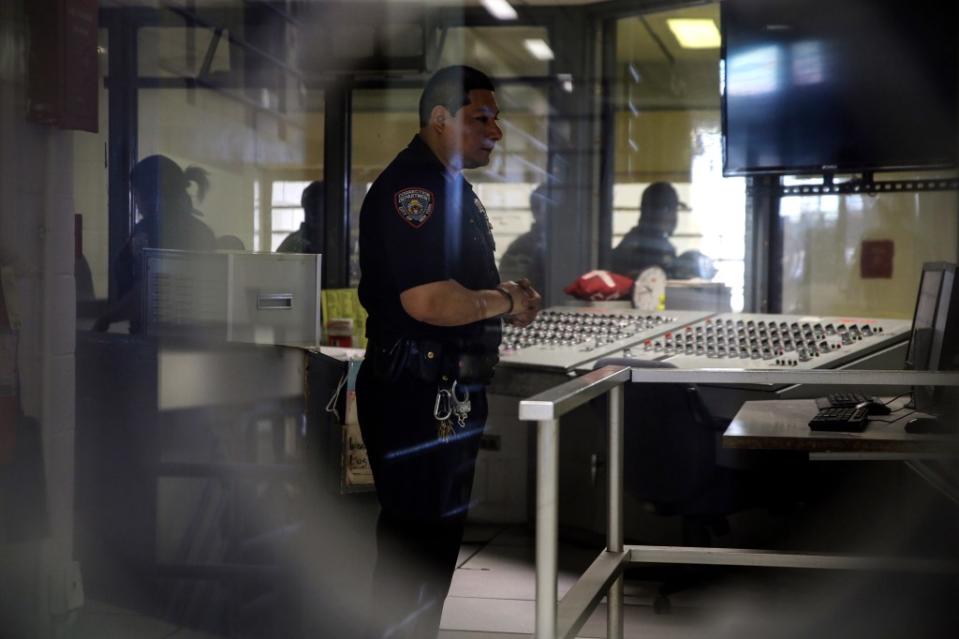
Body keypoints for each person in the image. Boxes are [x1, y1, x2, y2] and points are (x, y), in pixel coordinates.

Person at [355, 65, 542, 639]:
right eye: (480, 118)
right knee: (417, 548)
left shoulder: (448, 185)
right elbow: (431, 303)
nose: (496, 132)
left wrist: (493, 299)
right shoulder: (416, 190)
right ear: (440, 119)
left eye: (496, 119)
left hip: (442, 388)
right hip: (418, 389)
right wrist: (506, 300)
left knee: (432, 547)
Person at [94, 154, 216, 332]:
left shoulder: (152, 230)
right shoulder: (202, 230)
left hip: (159, 338)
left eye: (135, 194)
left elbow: (149, 291)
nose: (135, 202)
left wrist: (106, 319)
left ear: (151, 194)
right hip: (190, 337)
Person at [610, 181, 688, 280]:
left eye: (674, 210)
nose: (674, 217)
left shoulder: (663, 246)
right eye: (668, 210)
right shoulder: (638, 246)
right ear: (651, 212)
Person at [498, 183, 548, 292]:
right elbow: (512, 292)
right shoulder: (520, 248)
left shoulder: (571, 244)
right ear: (536, 212)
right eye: (548, 208)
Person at [277, 180, 324, 253]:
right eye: (311, 205)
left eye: (318, 205)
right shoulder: (291, 245)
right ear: (304, 205)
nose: (314, 212)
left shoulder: (337, 243)